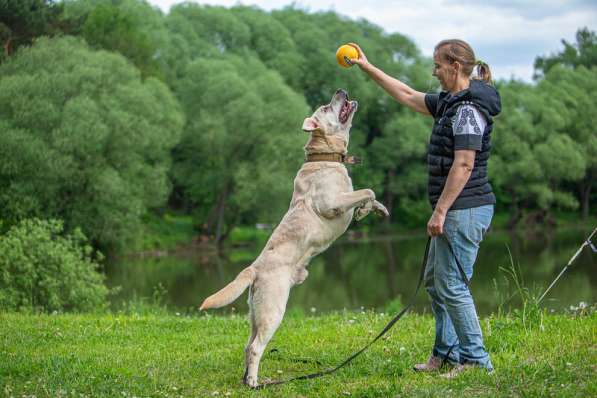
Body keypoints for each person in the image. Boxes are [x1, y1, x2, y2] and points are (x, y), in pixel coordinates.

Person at [349, 39, 501, 377]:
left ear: (455, 66)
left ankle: (476, 361)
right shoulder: (451, 102)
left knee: (452, 285)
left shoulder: (468, 110)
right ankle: (445, 353)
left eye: (437, 64)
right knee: (436, 282)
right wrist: (366, 65)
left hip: (464, 209)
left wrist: (440, 211)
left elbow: (463, 165)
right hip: (455, 209)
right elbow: (406, 95)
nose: (433, 71)